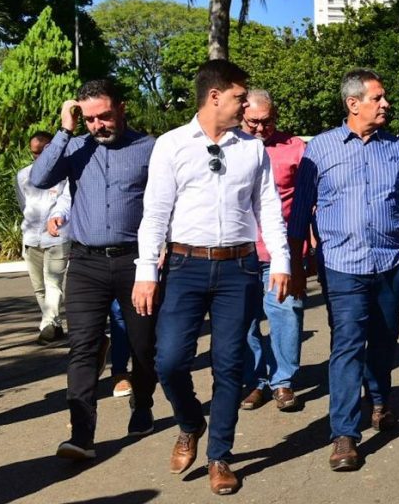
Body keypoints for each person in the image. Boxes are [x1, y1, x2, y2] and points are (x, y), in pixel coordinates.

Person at [132, 60, 290, 495]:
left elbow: (269, 209)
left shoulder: (252, 148)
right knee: (169, 360)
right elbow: (155, 214)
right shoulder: (171, 145)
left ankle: (219, 455)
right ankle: (189, 422)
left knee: (229, 364)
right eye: (240, 96)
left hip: (239, 267)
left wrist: (281, 261)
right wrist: (146, 273)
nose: (245, 104)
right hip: (184, 266)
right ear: (215, 95)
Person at [288, 68, 399, 472]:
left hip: (389, 262)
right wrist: (297, 265)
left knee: (384, 339)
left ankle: (380, 401)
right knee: (347, 343)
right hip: (341, 265)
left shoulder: (396, 148)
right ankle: (344, 434)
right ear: (353, 104)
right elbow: (300, 212)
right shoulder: (321, 149)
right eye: (377, 98)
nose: (386, 104)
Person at [30, 79, 158, 460]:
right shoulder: (76, 148)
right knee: (82, 346)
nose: (98, 125)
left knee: (143, 345)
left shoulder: (148, 148)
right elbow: (39, 178)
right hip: (85, 262)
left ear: (121, 107)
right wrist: (65, 130)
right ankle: (82, 435)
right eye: (89, 119)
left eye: (104, 115)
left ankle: (144, 400)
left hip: (135, 261)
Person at [238, 90, 307, 412]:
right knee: (244, 321)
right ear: (241, 115)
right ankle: (255, 381)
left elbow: (310, 202)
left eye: (267, 122)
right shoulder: (228, 147)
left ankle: (282, 381)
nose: (261, 129)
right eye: (254, 122)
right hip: (238, 252)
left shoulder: (295, 149)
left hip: (281, 253)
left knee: (286, 315)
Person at [15, 131, 71, 344]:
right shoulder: (23, 175)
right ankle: (54, 324)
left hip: (57, 237)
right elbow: (24, 204)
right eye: (34, 153)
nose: (37, 157)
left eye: (41, 152)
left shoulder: (65, 176)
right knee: (39, 286)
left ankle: (47, 325)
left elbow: (68, 203)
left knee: (53, 282)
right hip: (31, 237)